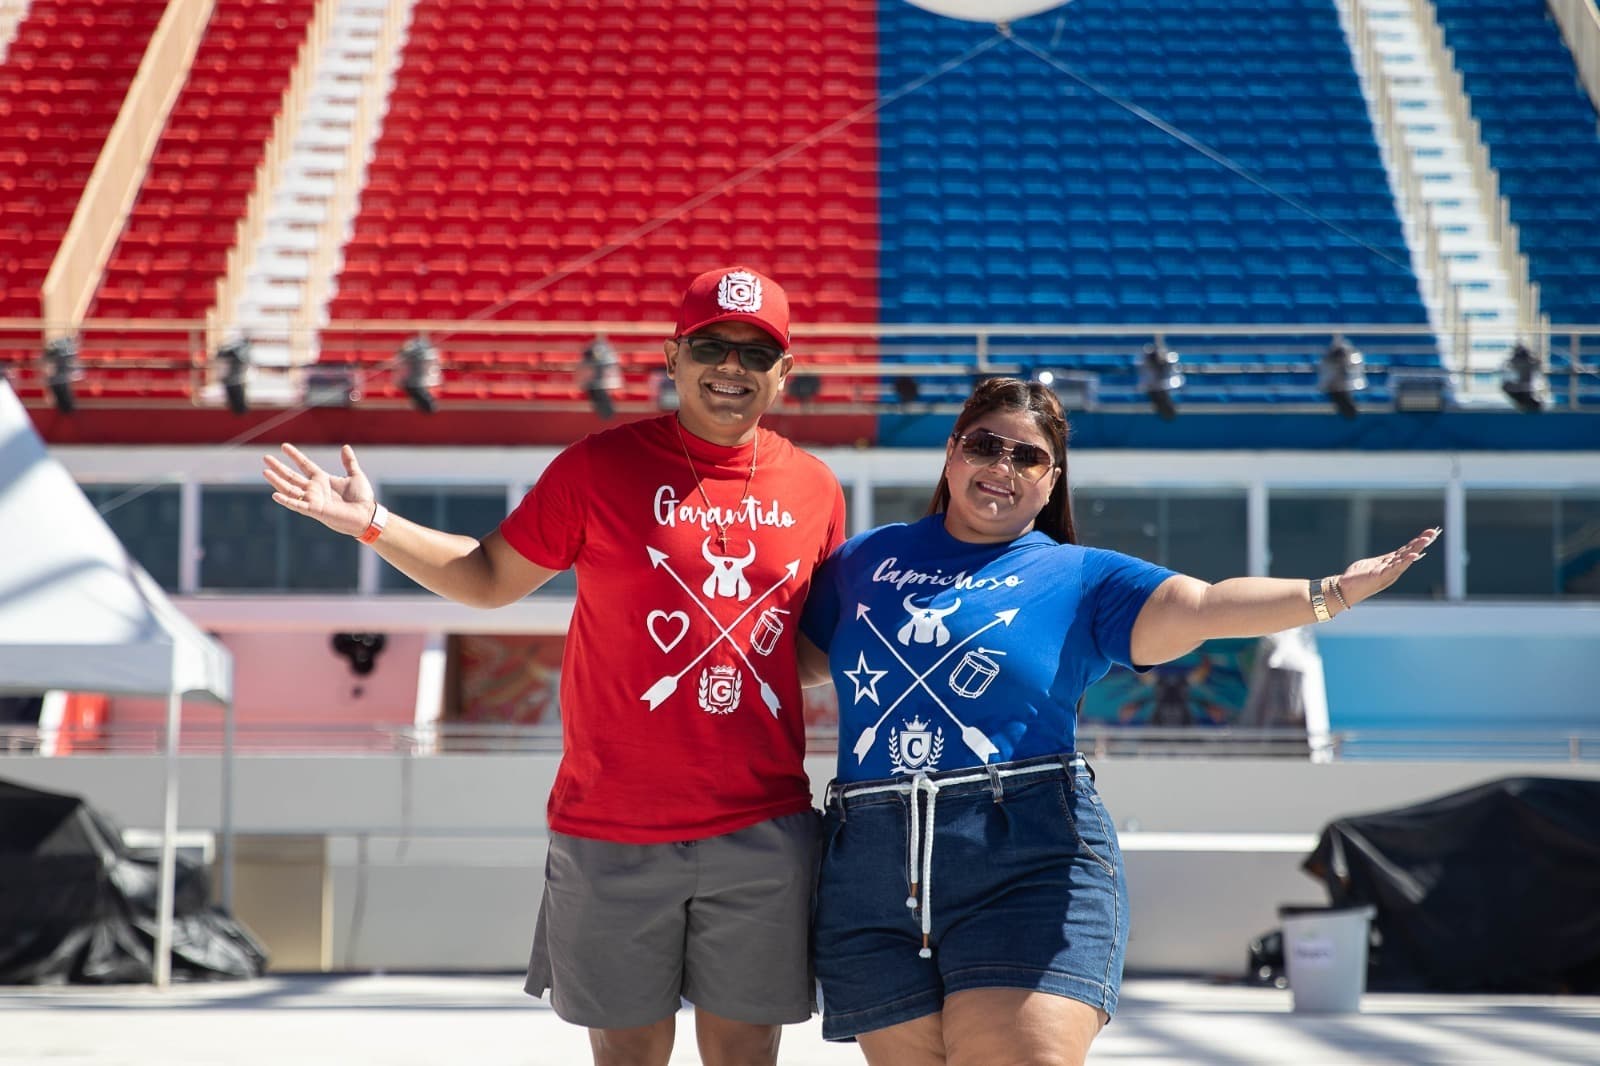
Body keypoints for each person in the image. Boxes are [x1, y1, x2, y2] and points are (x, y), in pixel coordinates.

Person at [263, 266, 847, 1066]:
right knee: (628, 1055)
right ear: (672, 356)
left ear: (785, 370)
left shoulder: (815, 487)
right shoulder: (597, 468)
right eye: (712, 346)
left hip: (761, 825)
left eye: (756, 353)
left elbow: (800, 655)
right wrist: (372, 522)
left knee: (745, 1054)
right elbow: (485, 577)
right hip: (612, 823)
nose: (732, 369)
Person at [798, 376, 1438, 1066]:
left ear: (1052, 482)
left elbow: (1205, 606)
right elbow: (785, 662)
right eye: (985, 445)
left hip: (1023, 856)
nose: (1002, 467)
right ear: (952, 452)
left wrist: (1331, 593)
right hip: (870, 863)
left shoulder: (1080, 577)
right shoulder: (866, 559)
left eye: (1029, 457)